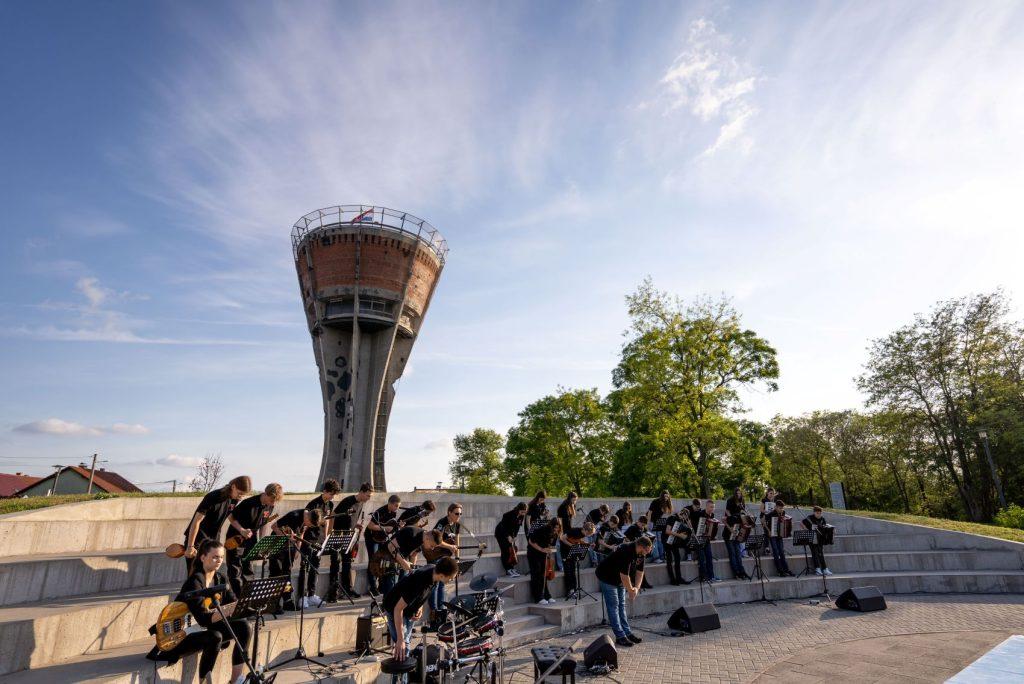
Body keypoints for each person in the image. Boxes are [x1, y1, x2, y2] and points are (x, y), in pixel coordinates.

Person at [149, 539, 252, 684]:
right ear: (203, 557)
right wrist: (230, 608)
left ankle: (236, 681)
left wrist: (248, 605)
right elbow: (204, 619)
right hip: (178, 635)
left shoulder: (220, 578)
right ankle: (204, 681)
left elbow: (234, 604)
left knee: (244, 627)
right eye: (215, 557)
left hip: (199, 627)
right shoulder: (195, 582)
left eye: (221, 557)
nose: (219, 560)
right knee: (215, 636)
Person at [383, 557, 459, 684]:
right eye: (450, 578)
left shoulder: (433, 572)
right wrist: (400, 639)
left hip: (408, 610)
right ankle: (400, 681)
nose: (451, 580)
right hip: (394, 609)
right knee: (403, 648)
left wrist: (419, 607)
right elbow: (397, 609)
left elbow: (424, 594)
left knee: (404, 649)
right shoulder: (420, 583)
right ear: (442, 575)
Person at [182, 476, 252, 576]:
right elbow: (196, 521)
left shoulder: (234, 499)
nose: (241, 497)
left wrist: (242, 530)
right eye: (240, 493)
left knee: (210, 576)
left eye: (243, 495)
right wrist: (190, 546)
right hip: (198, 541)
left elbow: (229, 516)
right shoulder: (213, 497)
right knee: (196, 575)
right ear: (233, 486)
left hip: (213, 541)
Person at [225, 482, 283, 597]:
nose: (273, 503)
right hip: (236, 538)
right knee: (235, 571)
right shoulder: (248, 503)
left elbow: (264, 523)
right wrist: (242, 530)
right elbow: (231, 517)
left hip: (251, 540)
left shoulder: (270, 506)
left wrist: (262, 542)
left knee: (248, 570)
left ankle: (248, 599)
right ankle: (239, 598)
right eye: (272, 500)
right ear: (266, 494)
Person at [596, 535, 652, 648]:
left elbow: (640, 572)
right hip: (607, 577)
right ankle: (620, 636)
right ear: (640, 546)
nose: (647, 554)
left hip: (619, 579)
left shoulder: (641, 554)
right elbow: (624, 575)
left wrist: (636, 588)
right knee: (614, 606)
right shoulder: (626, 550)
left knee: (622, 605)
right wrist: (630, 590)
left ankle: (627, 633)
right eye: (646, 551)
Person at [326, 481, 374, 599]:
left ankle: (347, 589)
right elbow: (333, 515)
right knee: (335, 564)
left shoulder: (361, 503)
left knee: (347, 563)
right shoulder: (348, 501)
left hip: (349, 536)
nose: (368, 498)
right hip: (338, 536)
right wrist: (329, 533)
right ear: (361, 492)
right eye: (368, 495)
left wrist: (356, 526)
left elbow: (352, 518)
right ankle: (333, 592)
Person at [269, 507, 322, 611]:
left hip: (290, 547)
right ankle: (273, 603)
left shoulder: (305, 519)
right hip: (277, 544)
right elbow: (274, 527)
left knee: (287, 574)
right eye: (310, 524)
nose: (309, 526)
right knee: (276, 573)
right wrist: (286, 536)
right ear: (308, 517)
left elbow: (301, 534)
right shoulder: (294, 516)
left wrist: (297, 549)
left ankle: (287, 601)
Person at [299, 478, 342, 605]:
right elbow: (305, 523)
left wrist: (326, 537)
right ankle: (302, 597)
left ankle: (311, 594)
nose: (332, 497)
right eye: (331, 494)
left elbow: (328, 521)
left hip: (320, 539)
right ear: (324, 491)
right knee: (305, 568)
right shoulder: (313, 504)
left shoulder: (330, 504)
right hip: (309, 539)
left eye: (334, 494)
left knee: (315, 567)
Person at [430, 503, 464, 614]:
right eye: (456, 513)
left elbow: (457, 542)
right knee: (435, 585)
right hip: (436, 555)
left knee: (442, 584)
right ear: (449, 512)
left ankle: (441, 609)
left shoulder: (457, 524)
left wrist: (457, 557)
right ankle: (434, 611)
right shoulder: (442, 523)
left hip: (446, 557)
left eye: (460, 514)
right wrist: (450, 546)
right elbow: (436, 540)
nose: (458, 516)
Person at [366, 494, 402, 595]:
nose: (397, 509)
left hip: (382, 538)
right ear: (390, 503)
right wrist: (385, 528)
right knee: (373, 560)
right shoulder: (379, 512)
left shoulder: (393, 514)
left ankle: (382, 586)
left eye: (398, 506)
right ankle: (373, 587)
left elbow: (392, 527)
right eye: (396, 506)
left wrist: (398, 527)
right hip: (371, 538)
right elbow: (370, 526)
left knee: (383, 561)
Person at [527, 518, 561, 604]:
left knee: (543, 574)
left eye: (558, 528)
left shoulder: (555, 533)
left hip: (543, 553)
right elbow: (531, 541)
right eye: (555, 527)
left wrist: (549, 550)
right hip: (533, 553)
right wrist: (542, 549)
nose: (556, 530)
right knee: (536, 574)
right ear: (551, 526)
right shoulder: (542, 529)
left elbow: (549, 545)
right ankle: (538, 597)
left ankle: (546, 595)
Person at [560, 521, 596, 598]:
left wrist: (588, 545)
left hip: (572, 551)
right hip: (565, 551)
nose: (589, 535)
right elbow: (562, 538)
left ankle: (574, 590)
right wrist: (572, 545)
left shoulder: (582, 534)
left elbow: (578, 541)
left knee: (573, 570)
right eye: (589, 534)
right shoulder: (574, 531)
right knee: (568, 571)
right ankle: (569, 591)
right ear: (586, 530)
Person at [661, 504, 691, 585]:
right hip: (666, 540)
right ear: (682, 514)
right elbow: (667, 531)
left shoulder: (680, 520)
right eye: (684, 517)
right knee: (669, 560)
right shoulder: (672, 518)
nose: (684, 519)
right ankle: (672, 579)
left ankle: (679, 578)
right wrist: (680, 535)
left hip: (674, 541)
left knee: (677, 558)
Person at [495, 503, 527, 577]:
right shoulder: (507, 515)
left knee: (512, 550)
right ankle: (508, 570)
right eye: (522, 511)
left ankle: (512, 568)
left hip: (510, 533)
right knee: (505, 550)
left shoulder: (522, 516)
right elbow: (503, 527)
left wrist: (514, 536)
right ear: (518, 509)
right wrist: (507, 536)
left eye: (524, 512)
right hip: (501, 533)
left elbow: (518, 527)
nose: (523, 513)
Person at [764, 499, 794, 576]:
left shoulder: (783, 513)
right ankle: (780, 571)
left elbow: (784, 521)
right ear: (776, 507)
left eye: (782, 508)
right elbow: (763, 522)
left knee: (781, 552)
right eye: (780, 508)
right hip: (772, 534)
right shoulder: (771, 514)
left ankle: (786, 570)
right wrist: (769, 531)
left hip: (779, 535)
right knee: (776, 552)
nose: (781, 510)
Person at [694, 500, 721, 582]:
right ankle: (704, 577)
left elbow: (711, 527)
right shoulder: (699, 514)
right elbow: (695, 526)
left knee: (709, 558)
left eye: (713, 507)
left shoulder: (712, 515)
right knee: (702, 559)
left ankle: (711, 576)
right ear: (706, 506)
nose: (712, 509)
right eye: (711, 507)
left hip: (707, 540)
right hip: (699, 539)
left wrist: (712, 535)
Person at [802, 506, 833, 575]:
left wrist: (831, 529)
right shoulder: (809, 518)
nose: (819, 514)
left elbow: (825, 526)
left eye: (820, 513)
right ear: (814, 512)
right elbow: (802, 523)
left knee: (821, 553)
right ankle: (817, 568)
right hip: (812, 538)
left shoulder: (822, 519)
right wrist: (808, 530)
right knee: (814, 553)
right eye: (817, 513)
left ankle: (825, 569)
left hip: (820, 538)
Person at [722, 506, 750, 579]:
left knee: (738, 553)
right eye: (745, 520)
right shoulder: (734, 518)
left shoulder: (744, 520)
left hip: (735, 537)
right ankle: (736, 572)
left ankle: (742, 571)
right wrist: (730, 529)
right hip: (728, 536)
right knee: (732, 553)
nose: (745, 523)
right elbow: (723, 520)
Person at [555, 492, 578, 572]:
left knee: (568, 548)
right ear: (569, 498)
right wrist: (560, 532)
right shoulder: (563, 507)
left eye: (575, 500)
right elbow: (559, 520)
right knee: (559, 547)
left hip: (568, 529)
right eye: (573, 500)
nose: (574, 502)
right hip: (561, 529)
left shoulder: (572, 505)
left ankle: (568, 564)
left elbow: (571, 519)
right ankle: (561, 566)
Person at [646, 491, 670, 563]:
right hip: (652, 522)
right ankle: (656, 558)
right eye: (665, 496)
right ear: (662, 496)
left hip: (659, 522)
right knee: (654, 540)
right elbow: (649, 513)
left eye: (667, 496)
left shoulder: (666, 503)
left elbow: (665, 514)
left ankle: (662, 557)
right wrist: (648, 524)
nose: (666, 498)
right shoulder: (655, 501)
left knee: (660, 540)